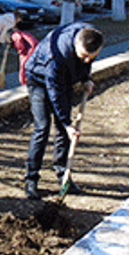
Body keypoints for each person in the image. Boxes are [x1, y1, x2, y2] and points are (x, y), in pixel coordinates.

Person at [22, 22, 104, 199]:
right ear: (76, 45)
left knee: (63, 131)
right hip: (39, 80)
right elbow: (55, 92)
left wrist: (85, 78)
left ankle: (62, 175)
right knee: (42, 127)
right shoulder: (56, 55)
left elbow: (85, 63)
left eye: (92, 56)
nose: (88, 60)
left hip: (63, 80)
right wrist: (67, 123)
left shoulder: (90, 36)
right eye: (85, 55)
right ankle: (31, 180)